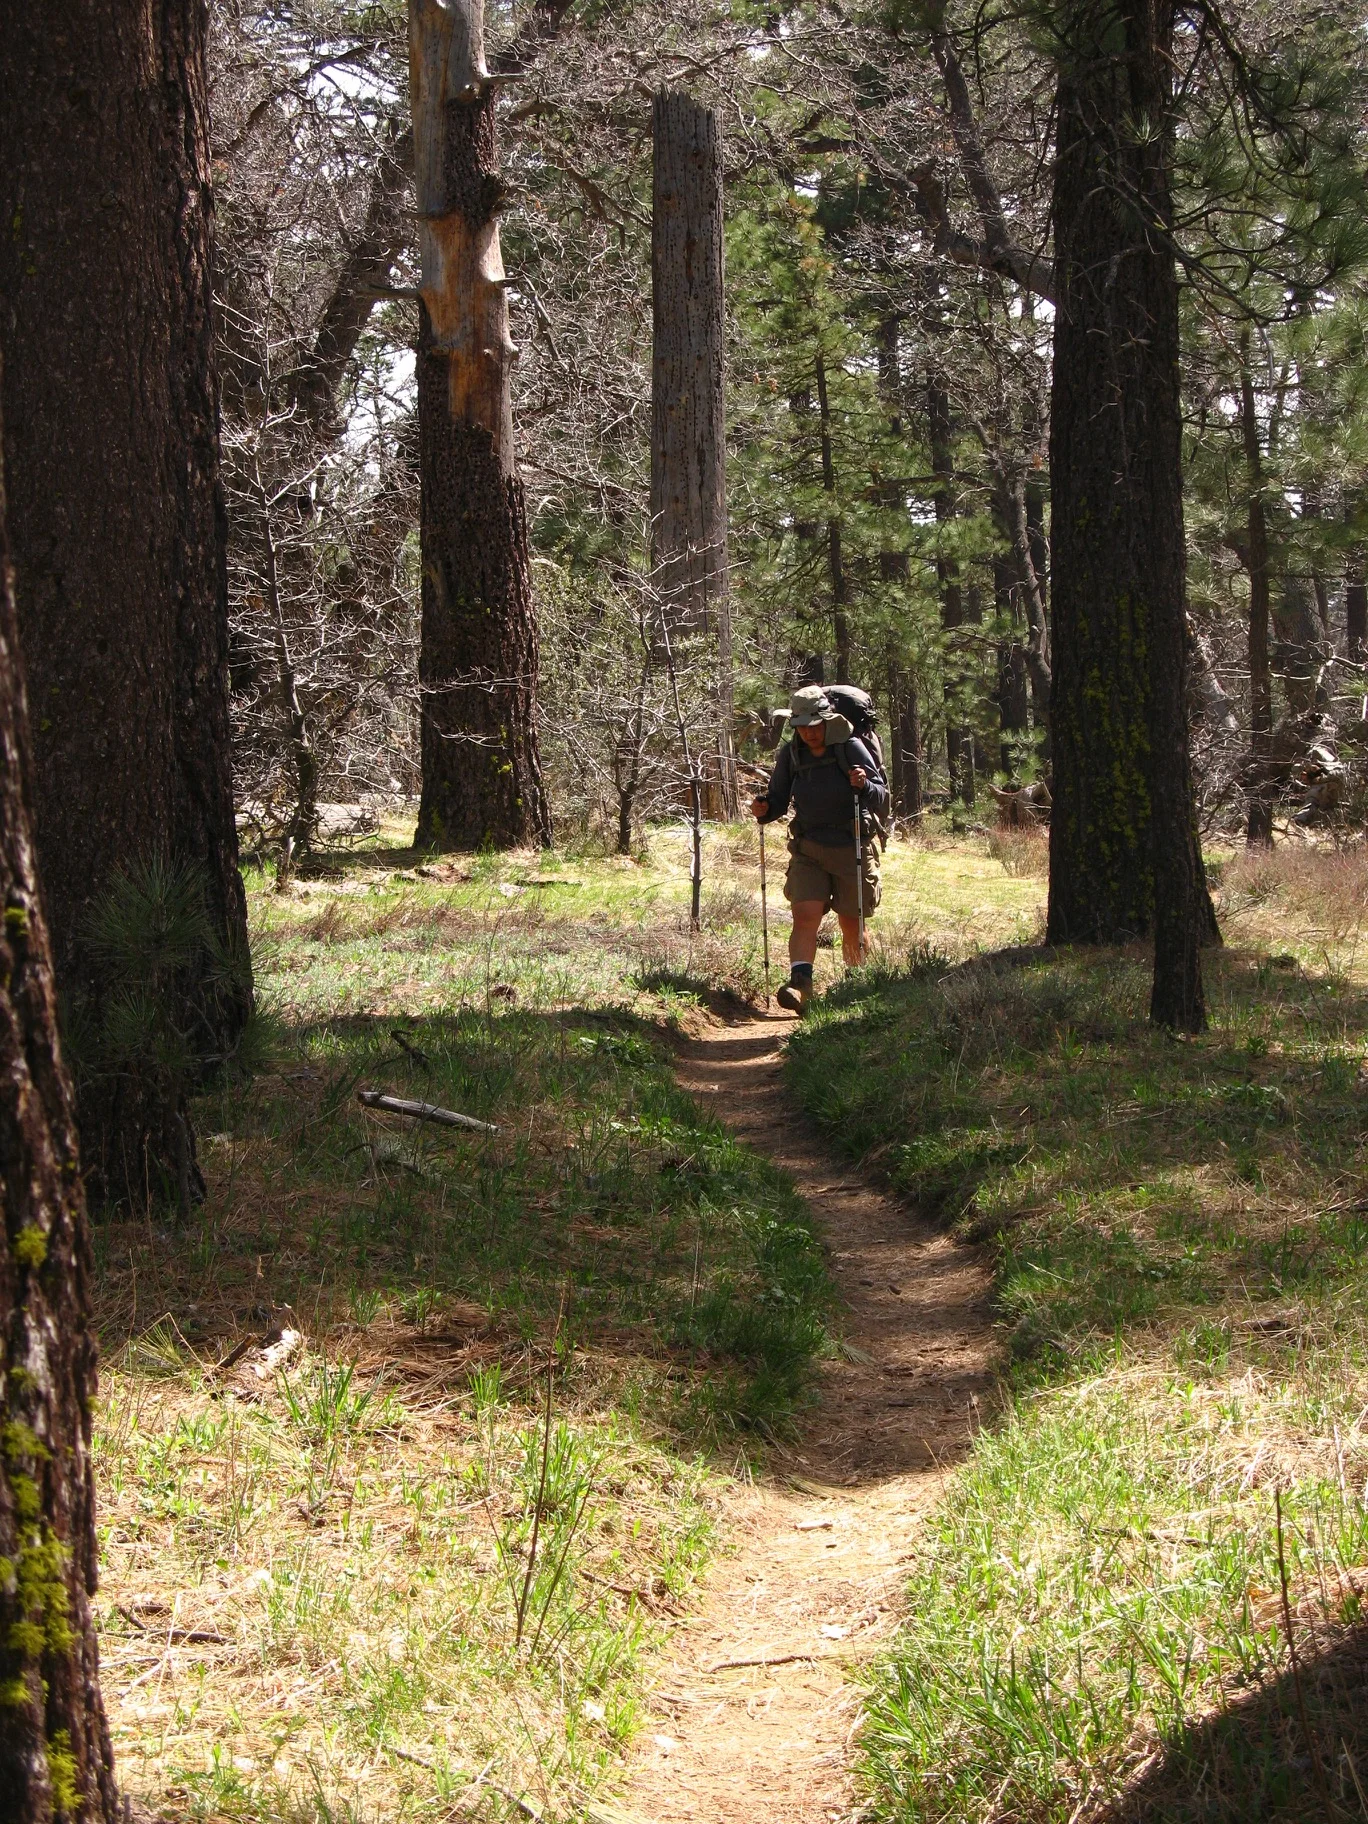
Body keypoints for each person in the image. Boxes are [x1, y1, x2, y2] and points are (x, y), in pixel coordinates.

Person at [750, 685, 889, 1016]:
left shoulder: (851, 747)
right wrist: (764, 809)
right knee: (804, 914)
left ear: (827, 721)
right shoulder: (792, 753)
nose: (808, 733)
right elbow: (779, 800)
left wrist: (864, 784)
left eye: (814, 725)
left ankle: (856, 990)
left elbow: (882, 796)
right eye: (801, 726)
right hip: (808, 847)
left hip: (851, 847)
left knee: (851, 924)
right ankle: (801, 986)